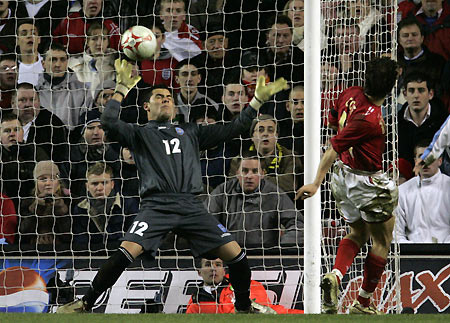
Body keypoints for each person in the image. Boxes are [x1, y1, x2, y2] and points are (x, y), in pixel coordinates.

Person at [56, 58, 288, 314]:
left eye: (168, 97)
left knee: (237, 255)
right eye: (159, 96)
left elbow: (234, 128)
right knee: (125, 252)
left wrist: (256, 102)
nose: (166, 99)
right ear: (146, 106)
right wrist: (121, 87)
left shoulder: (191, 132)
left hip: (191, 205)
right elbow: (109, 122)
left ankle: (244, 307)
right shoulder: (139, 133)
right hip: (157, 205)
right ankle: (85, 303)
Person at [296, 57, 399, 315]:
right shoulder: (371, 119)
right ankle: (363, 303)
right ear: (390, 88)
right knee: (383, 238)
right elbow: (333, 147)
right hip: (366, 182)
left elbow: (332, 118)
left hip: (343, 178)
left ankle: (335, 275)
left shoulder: (350, 93)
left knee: (358, 233)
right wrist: (315, 183)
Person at [208, 154, 303, 248]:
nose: (249, 176)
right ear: (237, 173)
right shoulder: (223, 191)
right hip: (230, 254)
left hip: (264, 256)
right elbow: (207, 221)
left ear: (263, 174)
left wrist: (280, 248)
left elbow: (298, 225)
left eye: (254, 171)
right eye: (244, 171)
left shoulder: (274, 194)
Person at [186, 257, 303, 314]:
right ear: (199, 272)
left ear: (224, 270)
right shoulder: (195, 301)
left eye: (218, 264)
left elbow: (270, 311)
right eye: (207, 265)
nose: (213, 268)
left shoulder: (246, 286)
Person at [229, 115, 303, 196]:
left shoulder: (290, 157)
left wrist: (253, 179)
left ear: (277, 136)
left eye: (270, 130)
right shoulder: (238, 160)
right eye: (260, 130)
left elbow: (290, 184)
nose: (265, 134)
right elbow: (234, 185)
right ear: (252, 136)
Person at [396, 140, 450, 243]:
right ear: (415, 161)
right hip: (412, 255)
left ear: (440, 161)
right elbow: (397, 234)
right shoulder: (402, 191)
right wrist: (413, 252)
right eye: (421, 156)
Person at [72, 162, 137, 247]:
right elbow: (80, 242)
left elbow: (134, 238)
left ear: (112, 184)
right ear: (87, 186)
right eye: (94, 184)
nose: (99, 188)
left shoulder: (129, 204)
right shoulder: (80, 209)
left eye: (104, 183)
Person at [37, 43, 92, 129]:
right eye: (53, 60)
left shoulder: (83, 91)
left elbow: (86, 125)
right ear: (43, 63)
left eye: (62, 60)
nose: (58, 65)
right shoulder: (35, 92)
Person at [397, 71, 448, 165]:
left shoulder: (444, 122)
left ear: (431, 94)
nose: (416, 95)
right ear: (405, 94)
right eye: (411, 90)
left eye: (421, 90)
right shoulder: (395, 124)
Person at [12, 82, 69, 166]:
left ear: (39, 102)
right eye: (22, 100)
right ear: (12, 104)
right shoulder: (4, 121)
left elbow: (60, 161)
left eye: (32, 100)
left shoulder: (53, 125)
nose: (28, 105)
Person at [0, 113, 48, 210]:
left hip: (35, 204)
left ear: (23, 132)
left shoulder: (36, 152)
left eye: (16, 130)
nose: (12, 134)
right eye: (7, 131)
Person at [69, 109, 120, 199]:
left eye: (100, 127)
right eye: (90, 128)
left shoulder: (116, 153)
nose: (96, 133)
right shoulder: (71, 155)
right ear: (82, 132)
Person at [19, 160, 71, 246]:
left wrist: (61, 211)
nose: (48, 183)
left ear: (58, 182)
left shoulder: (70, 200)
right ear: (36, 183)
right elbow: (22, 235)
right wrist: (36, 210)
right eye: (43, 179)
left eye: (53, 178)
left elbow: (71, 237)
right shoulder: (26, 203)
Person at [397, 17, 448, 101]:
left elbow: (440, 95)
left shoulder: (437, 62)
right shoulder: (394, 62)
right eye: (405, 35)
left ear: (422, 38)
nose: (410, 38)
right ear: (399, 40)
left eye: (414, 35)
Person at [68, 22, 117, 98]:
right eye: (94, 39)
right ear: (87, 41)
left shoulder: (116, 63)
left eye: (103, 39)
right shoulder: (74, 65)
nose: (99, 43)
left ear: (108, 42)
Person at [52, 0, 120, 55]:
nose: (93, 1)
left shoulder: (111, 27)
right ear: (82, 1)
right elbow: (53, 47)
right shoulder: (68, 22)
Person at [139, 20, 178, 90]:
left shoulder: (174, 63)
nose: (152, 40)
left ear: (163, 38)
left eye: (156, 36)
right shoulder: (135, 62)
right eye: (147, 37)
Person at [16, 19, 44, 86]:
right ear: (17, 40)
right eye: (24, 34)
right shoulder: (11, 68)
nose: (29, 36)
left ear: (39, 39)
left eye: (33, 33)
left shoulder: (48, 65)